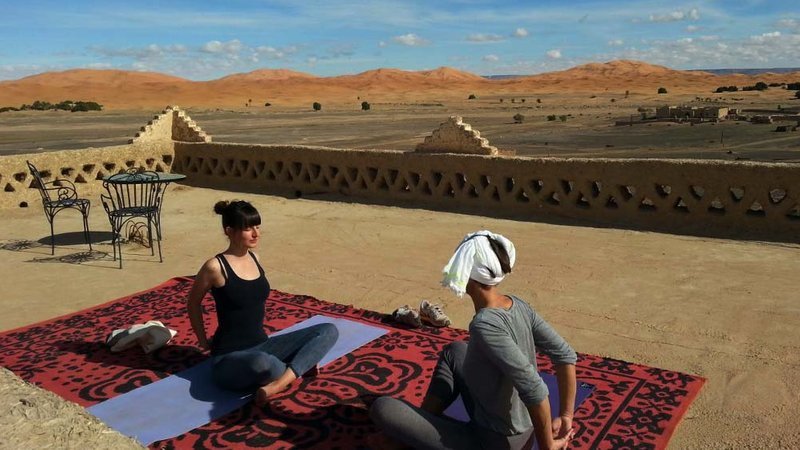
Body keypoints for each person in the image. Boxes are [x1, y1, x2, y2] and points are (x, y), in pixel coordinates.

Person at [370, 230, 577, 450]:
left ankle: (411, 437)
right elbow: (565, 355)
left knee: (382, 407)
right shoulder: (516, 304)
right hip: (509, 426)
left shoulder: (484, 325)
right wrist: (566, 415)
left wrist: (547, 446)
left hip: (494, 442)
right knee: (455, 350)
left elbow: (536, 391)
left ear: (469, 273)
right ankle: (421, 424)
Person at [187, 200, 338, 405]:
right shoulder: (215, 267)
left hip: (264, 344)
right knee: (261, 364)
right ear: (229, 231)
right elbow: (193, 302)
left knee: (328, 330)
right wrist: (203, 341)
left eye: (257, 227)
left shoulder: (255, 258)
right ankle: (298, 366)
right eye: (248, 228)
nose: (256, 234)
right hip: (230, 358)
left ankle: (278, 383)